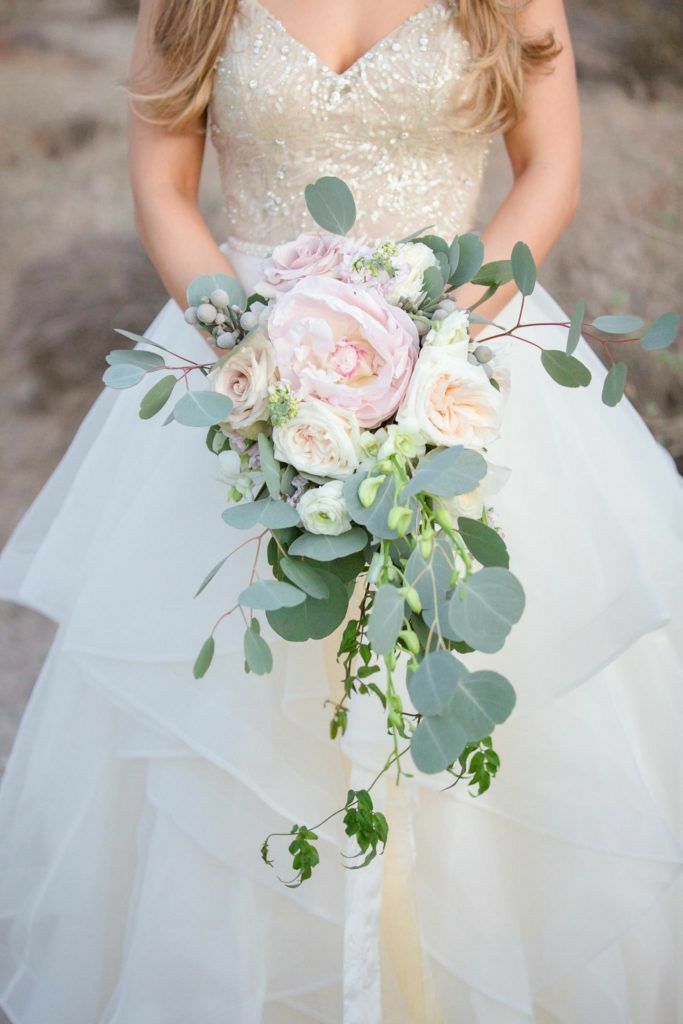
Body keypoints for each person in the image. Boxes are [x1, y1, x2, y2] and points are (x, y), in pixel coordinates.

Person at [0, 1, 680, 1021]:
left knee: (484, 717)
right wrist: (260, 356)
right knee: (229, 733)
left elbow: (550, 171)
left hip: (470, 359)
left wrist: (436, 346)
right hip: (246, 370)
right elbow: (160, 189)